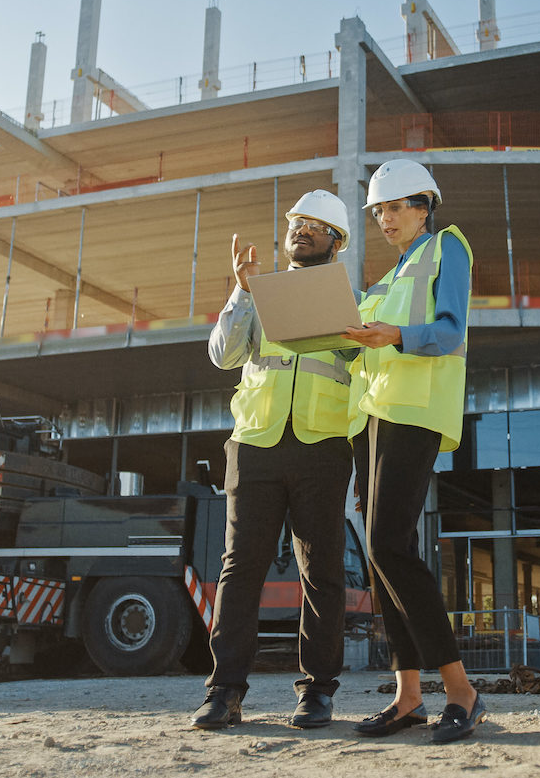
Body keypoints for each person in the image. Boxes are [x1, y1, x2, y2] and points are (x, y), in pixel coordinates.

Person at [190, 189, 360, 731]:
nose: (301, 230)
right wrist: (241, 292)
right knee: (240, 570)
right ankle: (224, 693)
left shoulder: (351, 302)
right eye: (296, 222)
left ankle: (317, 692)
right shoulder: (255, 295)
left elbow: (364, 367)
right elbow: (223, 356)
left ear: (336, 242)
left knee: (322, 573)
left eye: (315, 225)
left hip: (322, 447)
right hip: (256, 444)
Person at [341, 159, 487, 745]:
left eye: (395, 208)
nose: (385, 220)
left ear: (424, 206)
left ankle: (461, 691)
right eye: (378, 212)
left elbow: (450, 331)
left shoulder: (446, 248)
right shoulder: (385, 279)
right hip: (373, 422)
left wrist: (395, 334)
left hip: (415, 412)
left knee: (386, 545)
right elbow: (370, 355)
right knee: (381, 557)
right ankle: (408, 697)